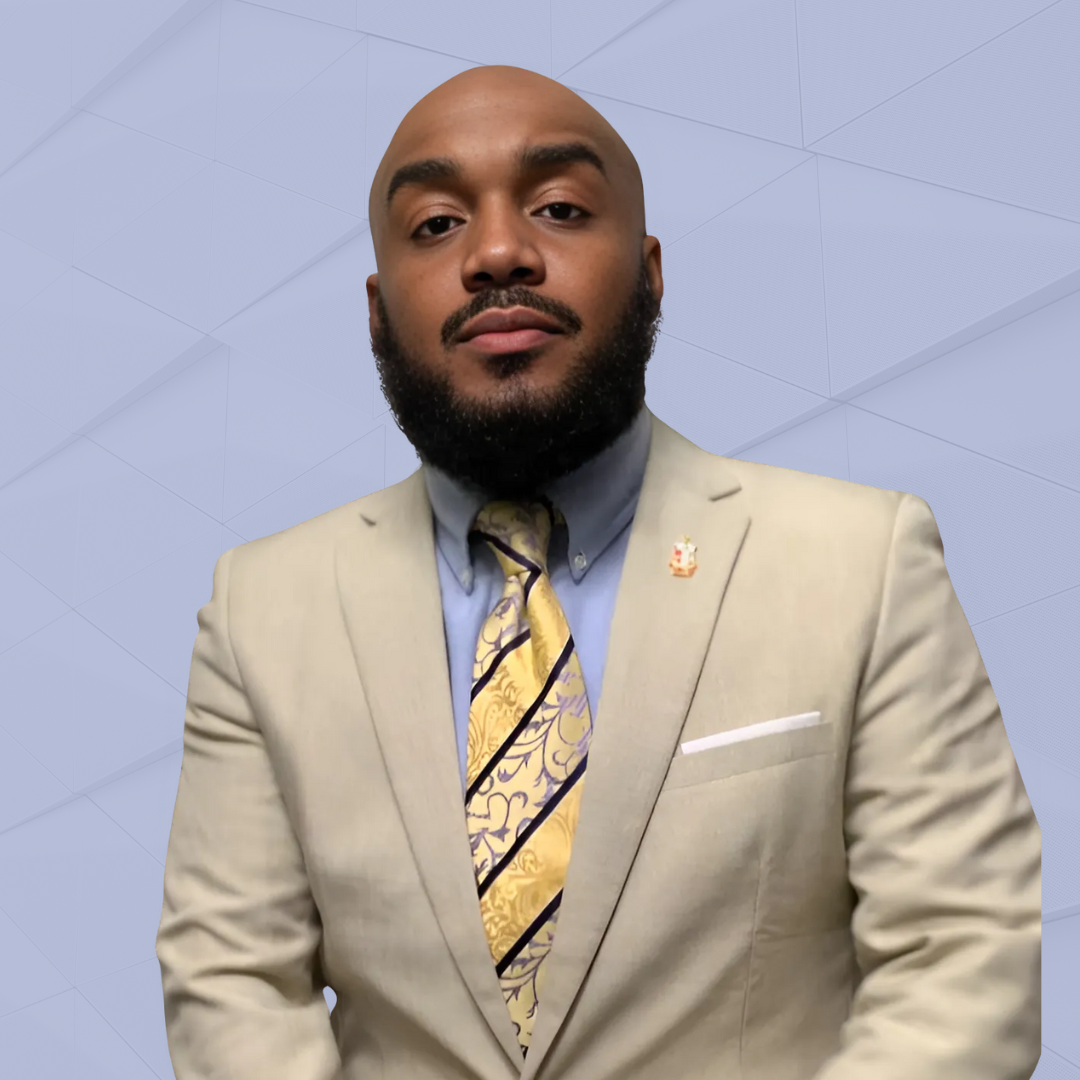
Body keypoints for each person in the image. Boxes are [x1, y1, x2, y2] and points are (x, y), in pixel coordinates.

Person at [156, 65, 1041, 1080]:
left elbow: (962, 957)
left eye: (561, 207)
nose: (497, 253)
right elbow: (233, 983)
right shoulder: (261, 609)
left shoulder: (861, 562)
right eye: (437, 225)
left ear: (651, 271)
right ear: (373, 310)